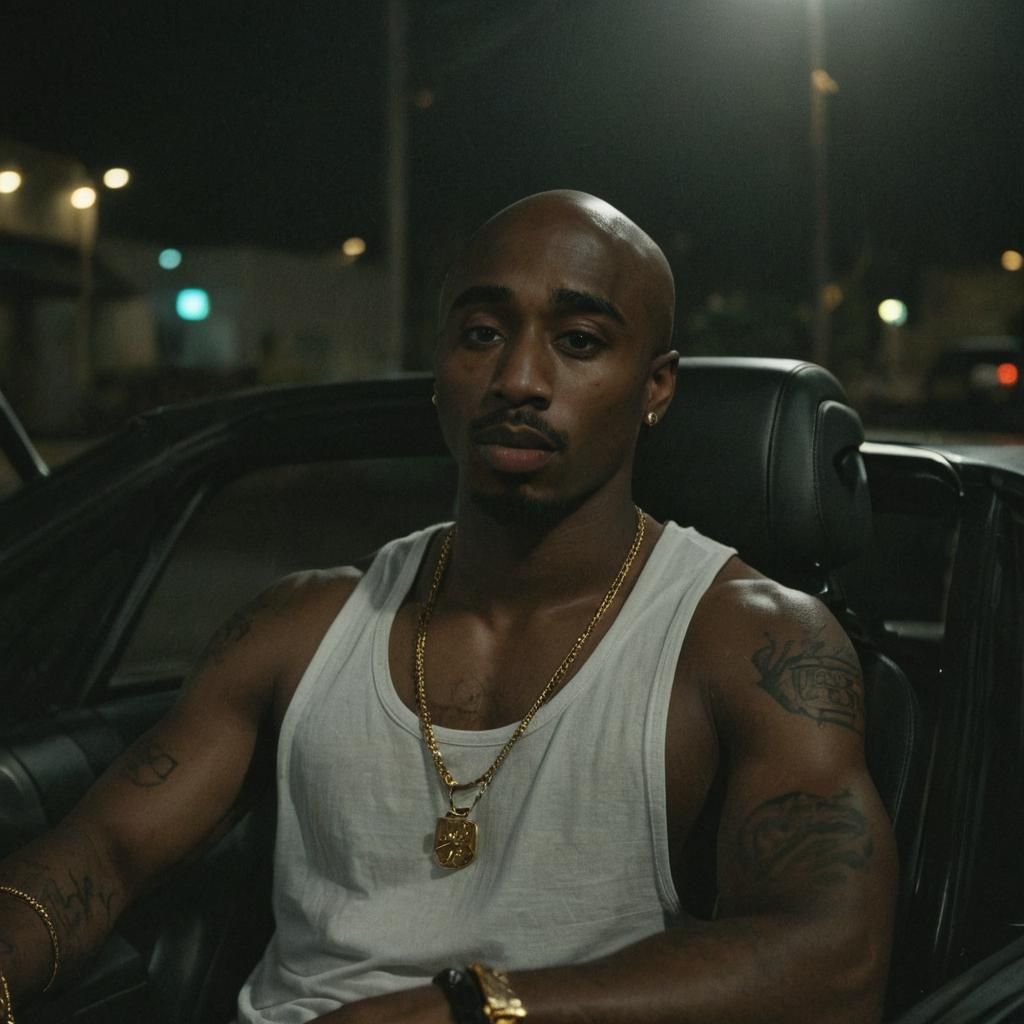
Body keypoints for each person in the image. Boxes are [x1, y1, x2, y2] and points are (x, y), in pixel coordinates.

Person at [0, 191, 896, 1024]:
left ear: (656, 387)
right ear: (440, 368)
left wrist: (469, 1010)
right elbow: (101, 857)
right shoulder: (301, 625)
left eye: (579, 341)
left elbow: (832, 959)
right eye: (480, 332)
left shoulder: (747, 640)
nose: (518, 376)